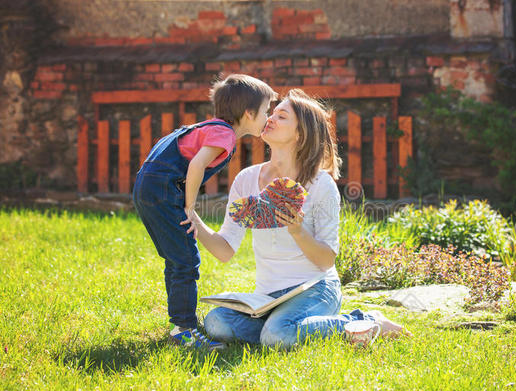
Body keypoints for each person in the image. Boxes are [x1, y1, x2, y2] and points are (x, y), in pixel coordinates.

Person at [182, 89, 409, 349]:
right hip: (267, 297)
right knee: (217, 324)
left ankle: (366, 321)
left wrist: (298, 230)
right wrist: (191, 216)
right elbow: (225, 251)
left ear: (300, 134)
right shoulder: (246, 179)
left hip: (315, 289)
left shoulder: (320, 184)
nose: (270, 119)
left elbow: (326, 260)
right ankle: (284, 328)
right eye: (272, 113)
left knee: (277, 336)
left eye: (282, 116)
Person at [132, 74, 277, 348]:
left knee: (178, 257)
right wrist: (188, 205)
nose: (268, 118)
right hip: (163, 189)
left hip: (149, 186)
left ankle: (181, 323)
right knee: (186, 258)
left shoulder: (208, 127)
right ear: (248, 113)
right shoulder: (224, 134)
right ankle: (184, 330)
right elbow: (197, 165)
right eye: (266, 111)